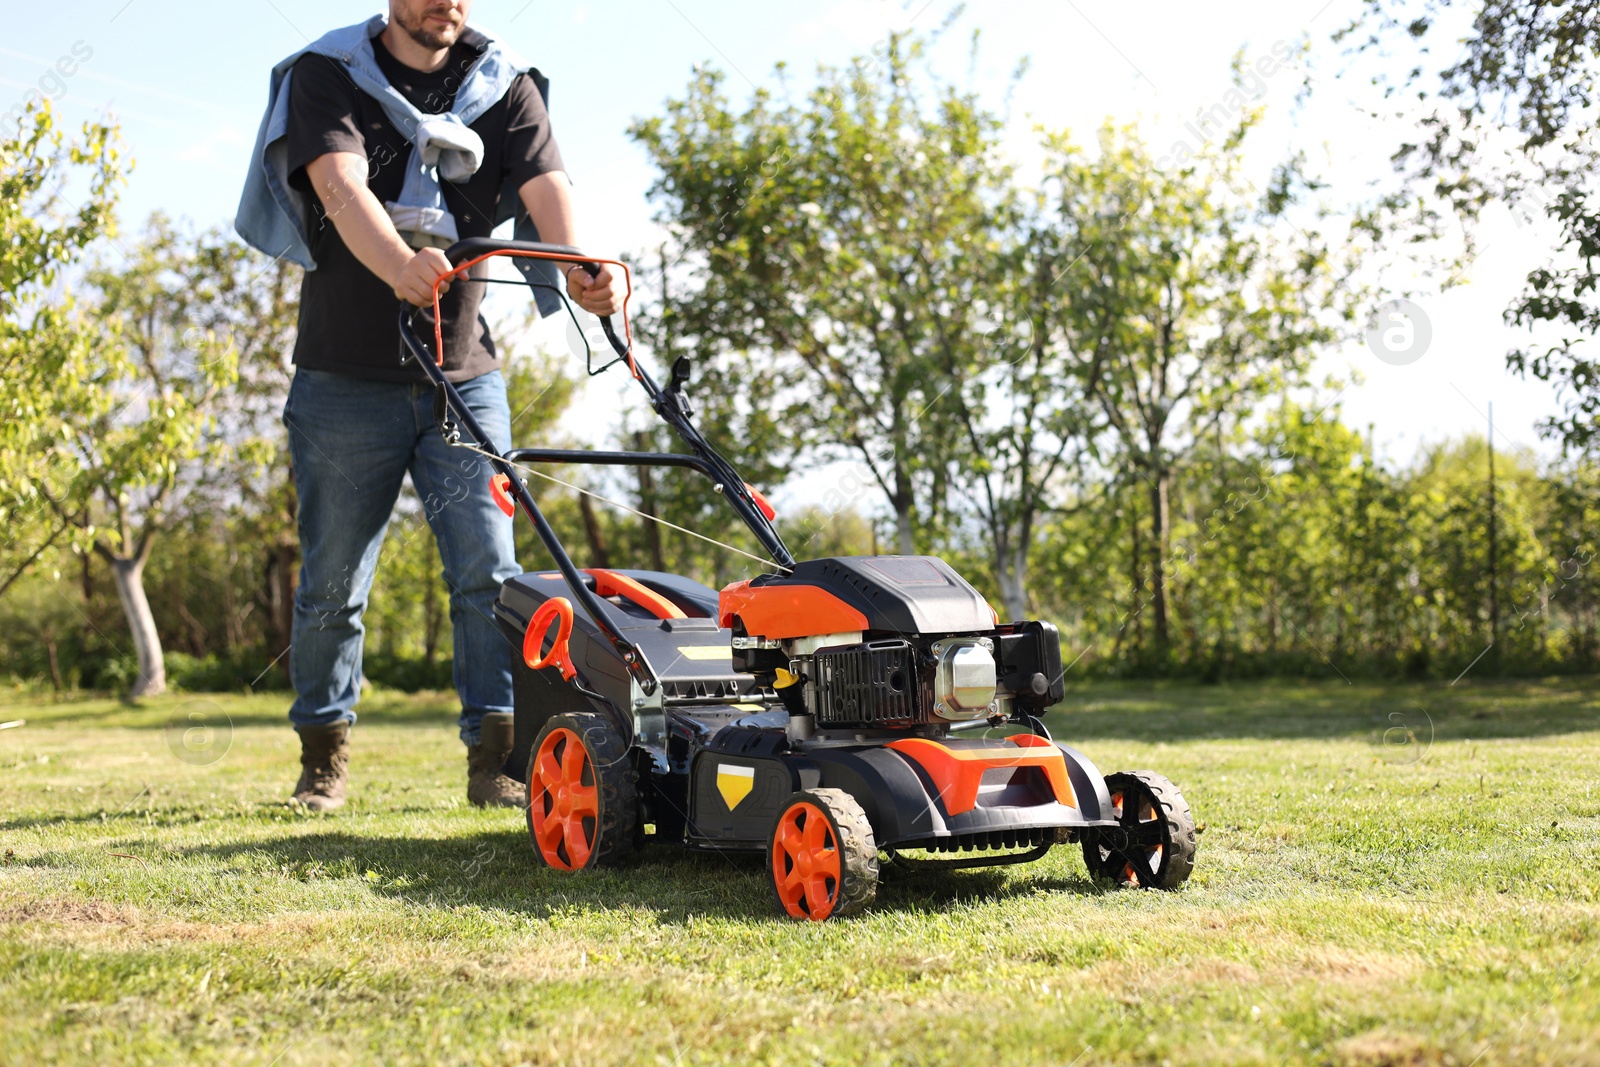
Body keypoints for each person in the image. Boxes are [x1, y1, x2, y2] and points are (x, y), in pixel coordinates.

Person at [235, 0, 622, 811]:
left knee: (491, 573)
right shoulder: (329, 73)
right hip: (343, 380)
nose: (446, 2)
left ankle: (498, 762)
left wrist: (585, 263)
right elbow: (340, 188)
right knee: (335, 582)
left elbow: (548, 186)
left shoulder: (503, 84)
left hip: (464, 375)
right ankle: (323, 755)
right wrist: (397, 262)